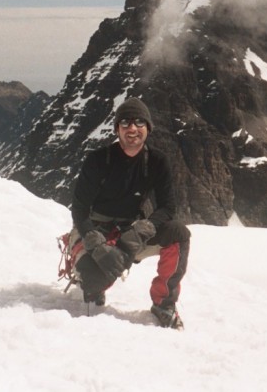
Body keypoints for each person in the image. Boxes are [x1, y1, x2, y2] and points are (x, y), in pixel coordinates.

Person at [69, 97, 191, 329]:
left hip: (131, 232)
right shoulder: (98, 160)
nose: (132, 129)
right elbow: (80, 209)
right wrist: (94, 242)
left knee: (178, 233)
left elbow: (168, 207)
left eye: (139, 123)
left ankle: (164, 303)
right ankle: (89, 276)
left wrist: (143, 229)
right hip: (95, 229)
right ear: (117, 129)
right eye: (125, 123)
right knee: (94, 282)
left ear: (148, 128)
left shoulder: (157, 162)